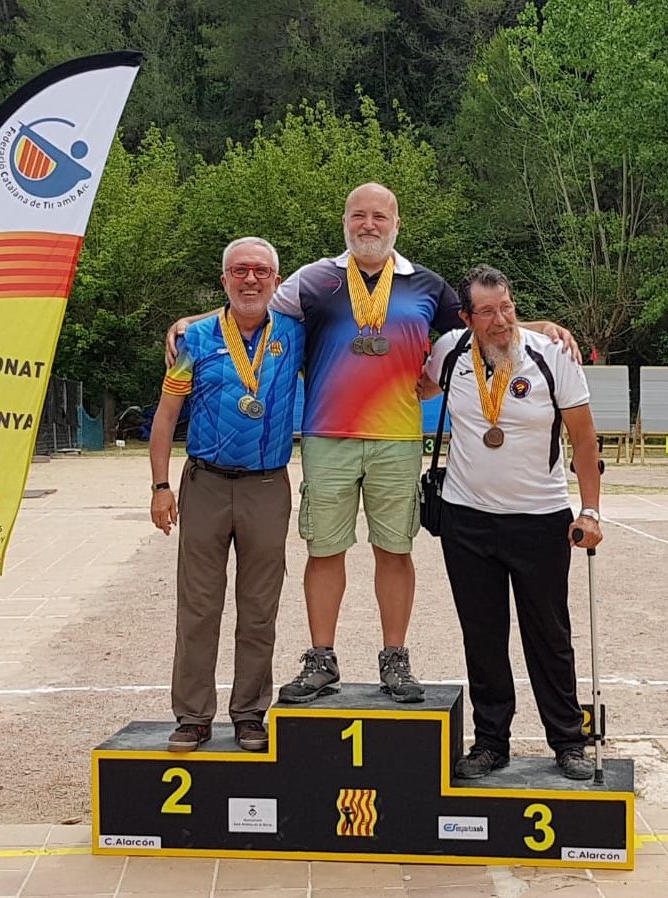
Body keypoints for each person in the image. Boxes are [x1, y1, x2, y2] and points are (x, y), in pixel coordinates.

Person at [167, 183, 580, 706]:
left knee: (395, 549)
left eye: (379, 216)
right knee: (325, 549)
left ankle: (395, 658)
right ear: (344, 221)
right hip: (327, 435)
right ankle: (321, 657)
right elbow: (250, 306)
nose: (369, 225)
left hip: (396, 437)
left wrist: (538, 325)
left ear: (396, 224)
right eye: (358, 215)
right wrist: (192, 323)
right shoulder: (315, 279)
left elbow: (485, 322)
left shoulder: (424, 284)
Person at [418, 265, 602, 780]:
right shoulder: (450, 351)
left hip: (540, 519)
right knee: (482, 635)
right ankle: (491, 742)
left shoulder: (553, 355)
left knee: (549, 634)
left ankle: (568, 740)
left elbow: (585, 440)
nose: (500, 321)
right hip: (466, 519)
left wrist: (589, 510)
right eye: (488, 312)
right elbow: (418, 389)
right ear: (466, 316)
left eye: (508, 308)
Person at [150, 237, 304, 753]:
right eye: (240, 270)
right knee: (198, 605)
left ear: (277, 281)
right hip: (206, 484)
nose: (251, 279)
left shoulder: (295, 335)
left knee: (259, 607)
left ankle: (249, 714)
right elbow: (166, 415)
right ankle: (193, 715)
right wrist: (160, 486)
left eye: (261, 271)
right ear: (224, 280)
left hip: (267, 485)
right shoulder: (194, 338)